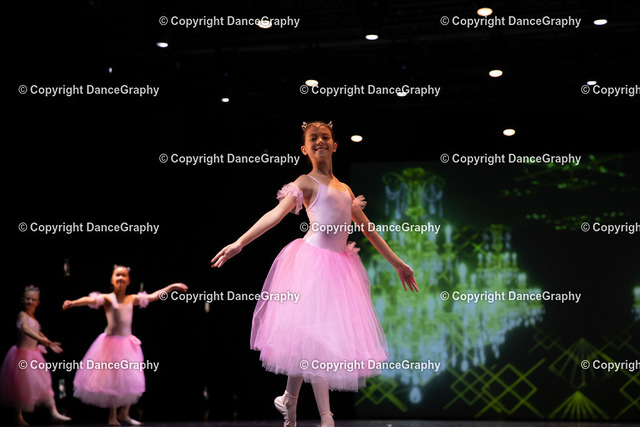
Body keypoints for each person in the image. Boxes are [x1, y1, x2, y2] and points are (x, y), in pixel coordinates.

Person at [211, 121, 419, 427]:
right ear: (304, 149)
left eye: (325, 137)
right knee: (314, 337)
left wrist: (398, 263)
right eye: (313, 138)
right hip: (311, 264)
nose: (320, 141)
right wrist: (240, 243)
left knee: (313, 339)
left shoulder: (345, 189)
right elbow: (275, 215)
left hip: (340, 270)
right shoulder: (305, 183)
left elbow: (369, 230)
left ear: (335, 145)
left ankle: (289, 401)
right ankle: (326, 417)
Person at [63, 265, 187, 426]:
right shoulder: (108, 298)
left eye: (124, 275)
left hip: (128, 344)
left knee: (130, 379)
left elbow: (154, 296)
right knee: (113, 379)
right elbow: (90, 300)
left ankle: (124, 413)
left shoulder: (131, 299)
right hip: (110, 344)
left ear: (128, 280)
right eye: (117, 275)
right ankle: (113, 415)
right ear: (112, 279)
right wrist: (73, 303)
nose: (120, 278)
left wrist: (172, 287)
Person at [0, 285, 71, 426]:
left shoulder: (34, 318)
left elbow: (38, 332)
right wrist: (43, 340)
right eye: (27, 299)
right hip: (21, 356)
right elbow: (26, 330)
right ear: (22, 300)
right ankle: (18, 416)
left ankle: (53, 411)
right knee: (20, 386)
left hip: (34, 356)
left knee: (45, 383)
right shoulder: (22, 315)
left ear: (38, 302)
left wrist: (49, 343)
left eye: (33, 300)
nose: (30, 302)